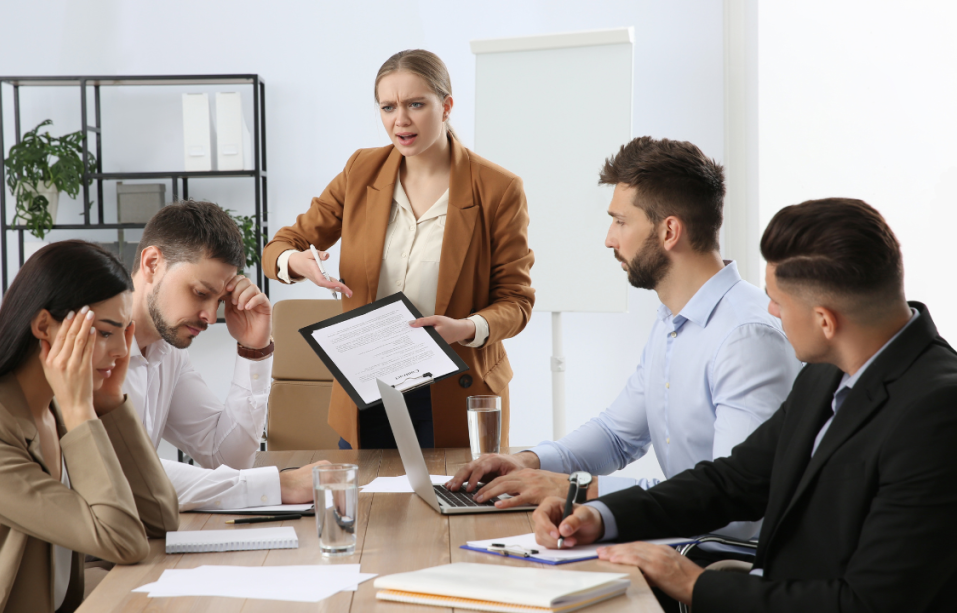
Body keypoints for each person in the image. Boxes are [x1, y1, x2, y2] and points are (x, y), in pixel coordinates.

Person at [533, 198, 957, 611]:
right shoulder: (828, 370)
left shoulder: (937, 413)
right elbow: (734, 481)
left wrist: (695, 584)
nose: (769, 311)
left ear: (825, 321)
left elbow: (870, 602)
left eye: (779, 301)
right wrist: (602, 516)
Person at [448, 137, 800, 537]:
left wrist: (580, 490)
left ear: (669, 231)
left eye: (620, 221)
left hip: (722, 561)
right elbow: (618, 435)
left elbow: (736, 505)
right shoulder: (673, 319)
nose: (609, 239)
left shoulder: (745, 338)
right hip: (679, 538)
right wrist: (529, 462)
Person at [262, 49, 535, 450]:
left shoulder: (497, 189)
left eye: (415, 104)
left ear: (446, 107)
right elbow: (280, 247)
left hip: (453, 388)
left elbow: (517, 301)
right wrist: (296, 261)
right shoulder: (362, 171)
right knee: (366, 508)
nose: (400, 120)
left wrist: (466, 328)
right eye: (388, 107)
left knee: (453, 508)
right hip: (368, 388)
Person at [0, 241, 178, 613]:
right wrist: (81, 411)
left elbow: (160, 518)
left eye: (124, 333)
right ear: (44, 326)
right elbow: (123, 539)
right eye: (105, 333)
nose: (123, 352)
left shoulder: (54, 408)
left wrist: (108, 404)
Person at [122, 199, 326, 511]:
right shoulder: (93, 343)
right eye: (201, 293)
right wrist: (275, 485)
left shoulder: (168, 353)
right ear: (152, 264)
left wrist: (253, 351)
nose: (209, 315)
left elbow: (227, 457)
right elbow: (121, 475)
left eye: (218, 300)